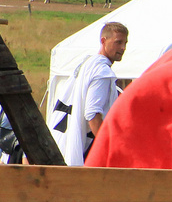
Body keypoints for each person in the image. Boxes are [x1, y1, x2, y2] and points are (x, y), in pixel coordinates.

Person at [51, 21, 128, 165]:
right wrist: (108, 149)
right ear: (103, 41)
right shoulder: (101, 72)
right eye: (118, 42)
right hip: (78, 146)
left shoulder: (87, 64)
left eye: (125, 43)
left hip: (61, 140)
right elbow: (92, 114)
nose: (123, 48)